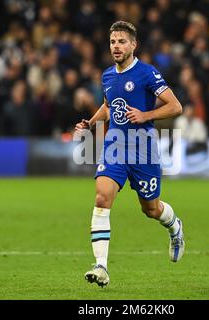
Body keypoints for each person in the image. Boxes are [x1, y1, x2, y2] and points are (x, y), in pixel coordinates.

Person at [74, 21, 185, 287]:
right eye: (113, 42)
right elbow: (108, 105)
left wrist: (146, 115)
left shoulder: (147, 73)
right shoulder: (107, 76)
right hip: (115, 146)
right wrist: (90, 123)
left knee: (151, 209)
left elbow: (176, 106)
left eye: (122, 41)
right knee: (102, 198)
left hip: (143, 149)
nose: (116, 46)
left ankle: (175, 228)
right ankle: (101, 266)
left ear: (134, 45)